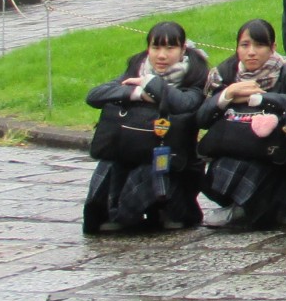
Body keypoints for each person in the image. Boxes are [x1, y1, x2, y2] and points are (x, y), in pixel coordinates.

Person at [83, 20, 209, 235]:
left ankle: (168, 209)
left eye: (170, 48)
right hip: (131, 148)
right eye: (156, 47)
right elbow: (95, 96)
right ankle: (113, 211)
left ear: (182, 50)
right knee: (110, 164)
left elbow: (185, 104)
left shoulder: (194, 76)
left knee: (154, 168)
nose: (162, 55)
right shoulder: (136, 70)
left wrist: (151, 85)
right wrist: (137, 93)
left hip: (174, 160)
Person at [198, 18, 286, 232]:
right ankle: (252, 210)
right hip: (231, 148)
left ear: (273, 47)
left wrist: (261, 99)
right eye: (245, 45)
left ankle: (252, 210)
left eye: (260, 45)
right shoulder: (224, 73)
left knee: (259, 169)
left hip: (272, 155)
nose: (251, 52)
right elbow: (203, 118)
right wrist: (228, 95)